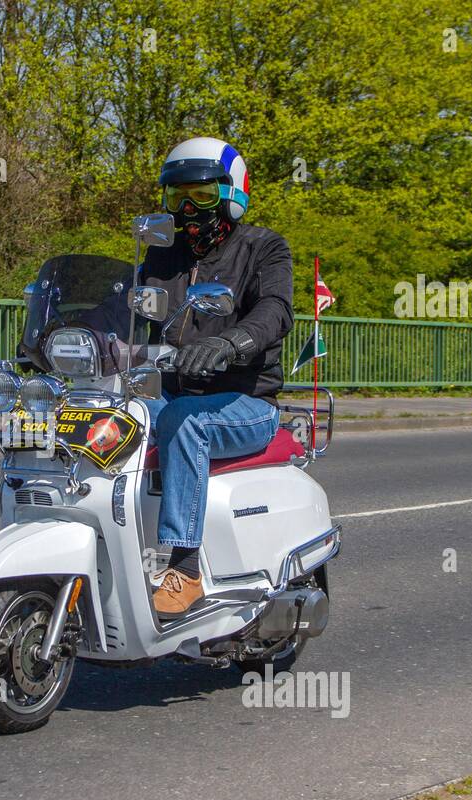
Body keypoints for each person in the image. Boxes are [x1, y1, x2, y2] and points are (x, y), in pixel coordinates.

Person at [140, 137, 294, 617]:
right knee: (101, 415)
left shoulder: (263, 248)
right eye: (176, 197)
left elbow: (276, 311)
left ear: (233, 192)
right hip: (173, 393)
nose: (187, 208)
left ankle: (184, 571)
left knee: (186, 420)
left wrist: (230, 343)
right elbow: (128, 316)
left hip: (244, 402)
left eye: (202, 195)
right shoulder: (162, 256)